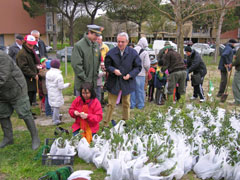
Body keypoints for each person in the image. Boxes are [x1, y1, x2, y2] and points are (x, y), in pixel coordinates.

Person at [0, 51, 40, 150]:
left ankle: (35, 137)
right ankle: (8, 138)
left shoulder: (2, 57)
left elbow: (2, 77)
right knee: (2, 114)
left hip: (16, 89)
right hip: (2, 92)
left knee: (25, 113)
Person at [103, 32, 142, 127]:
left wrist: (130, 75)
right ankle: (106, 124)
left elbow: (138, 67)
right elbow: (107, 65)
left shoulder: (133, 53)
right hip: (114, 81)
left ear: (127, 42)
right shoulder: (111, 53)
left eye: (122, 42)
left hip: (127, 81)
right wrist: (113, 70)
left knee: (126, 103)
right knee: (111, 104)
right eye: (118, 41)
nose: (120, 44)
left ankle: (126, 122)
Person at [71, 25, 103, 96]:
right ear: (89, 33)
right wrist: (86, 80)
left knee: (92, 106)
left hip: (93, 84)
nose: (97, 37)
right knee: (82, 106)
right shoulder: (79, 46)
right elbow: (76, 65)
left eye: (98, 35)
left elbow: (98, 61)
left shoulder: (96, 45)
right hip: (83, 85)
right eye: (95, 35)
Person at [16, 35, 39, 107]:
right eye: (30, 44)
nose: (31, 46)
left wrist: (37, 68)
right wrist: (33, 74)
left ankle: (29, 112)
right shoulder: (22, 53)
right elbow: (23, 67)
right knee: (27, 96)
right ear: (25, 43)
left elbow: (32, 63)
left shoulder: (30, 52)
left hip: (31, 78)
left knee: (31, 95)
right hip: (26, 79)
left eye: (33, 44)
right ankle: (27, 113)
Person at [46, 60, 70, 125]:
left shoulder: (48, 73)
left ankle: (56, 117)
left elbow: (47, 84)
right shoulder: (59, 75)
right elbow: (60, 86)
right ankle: (56, 121)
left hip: (50, 92)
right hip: (56, 93)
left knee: (53, 106)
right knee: (56, 106)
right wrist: (67, 84)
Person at [130, 37, 150, 109]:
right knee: (140, 90)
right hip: (141, 74)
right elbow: (147, 64)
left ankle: (132, 104)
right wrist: (146, 70)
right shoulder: (145, 52)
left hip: (132, 74)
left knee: (132, 90)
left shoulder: (132, 51)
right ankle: (140, 105)